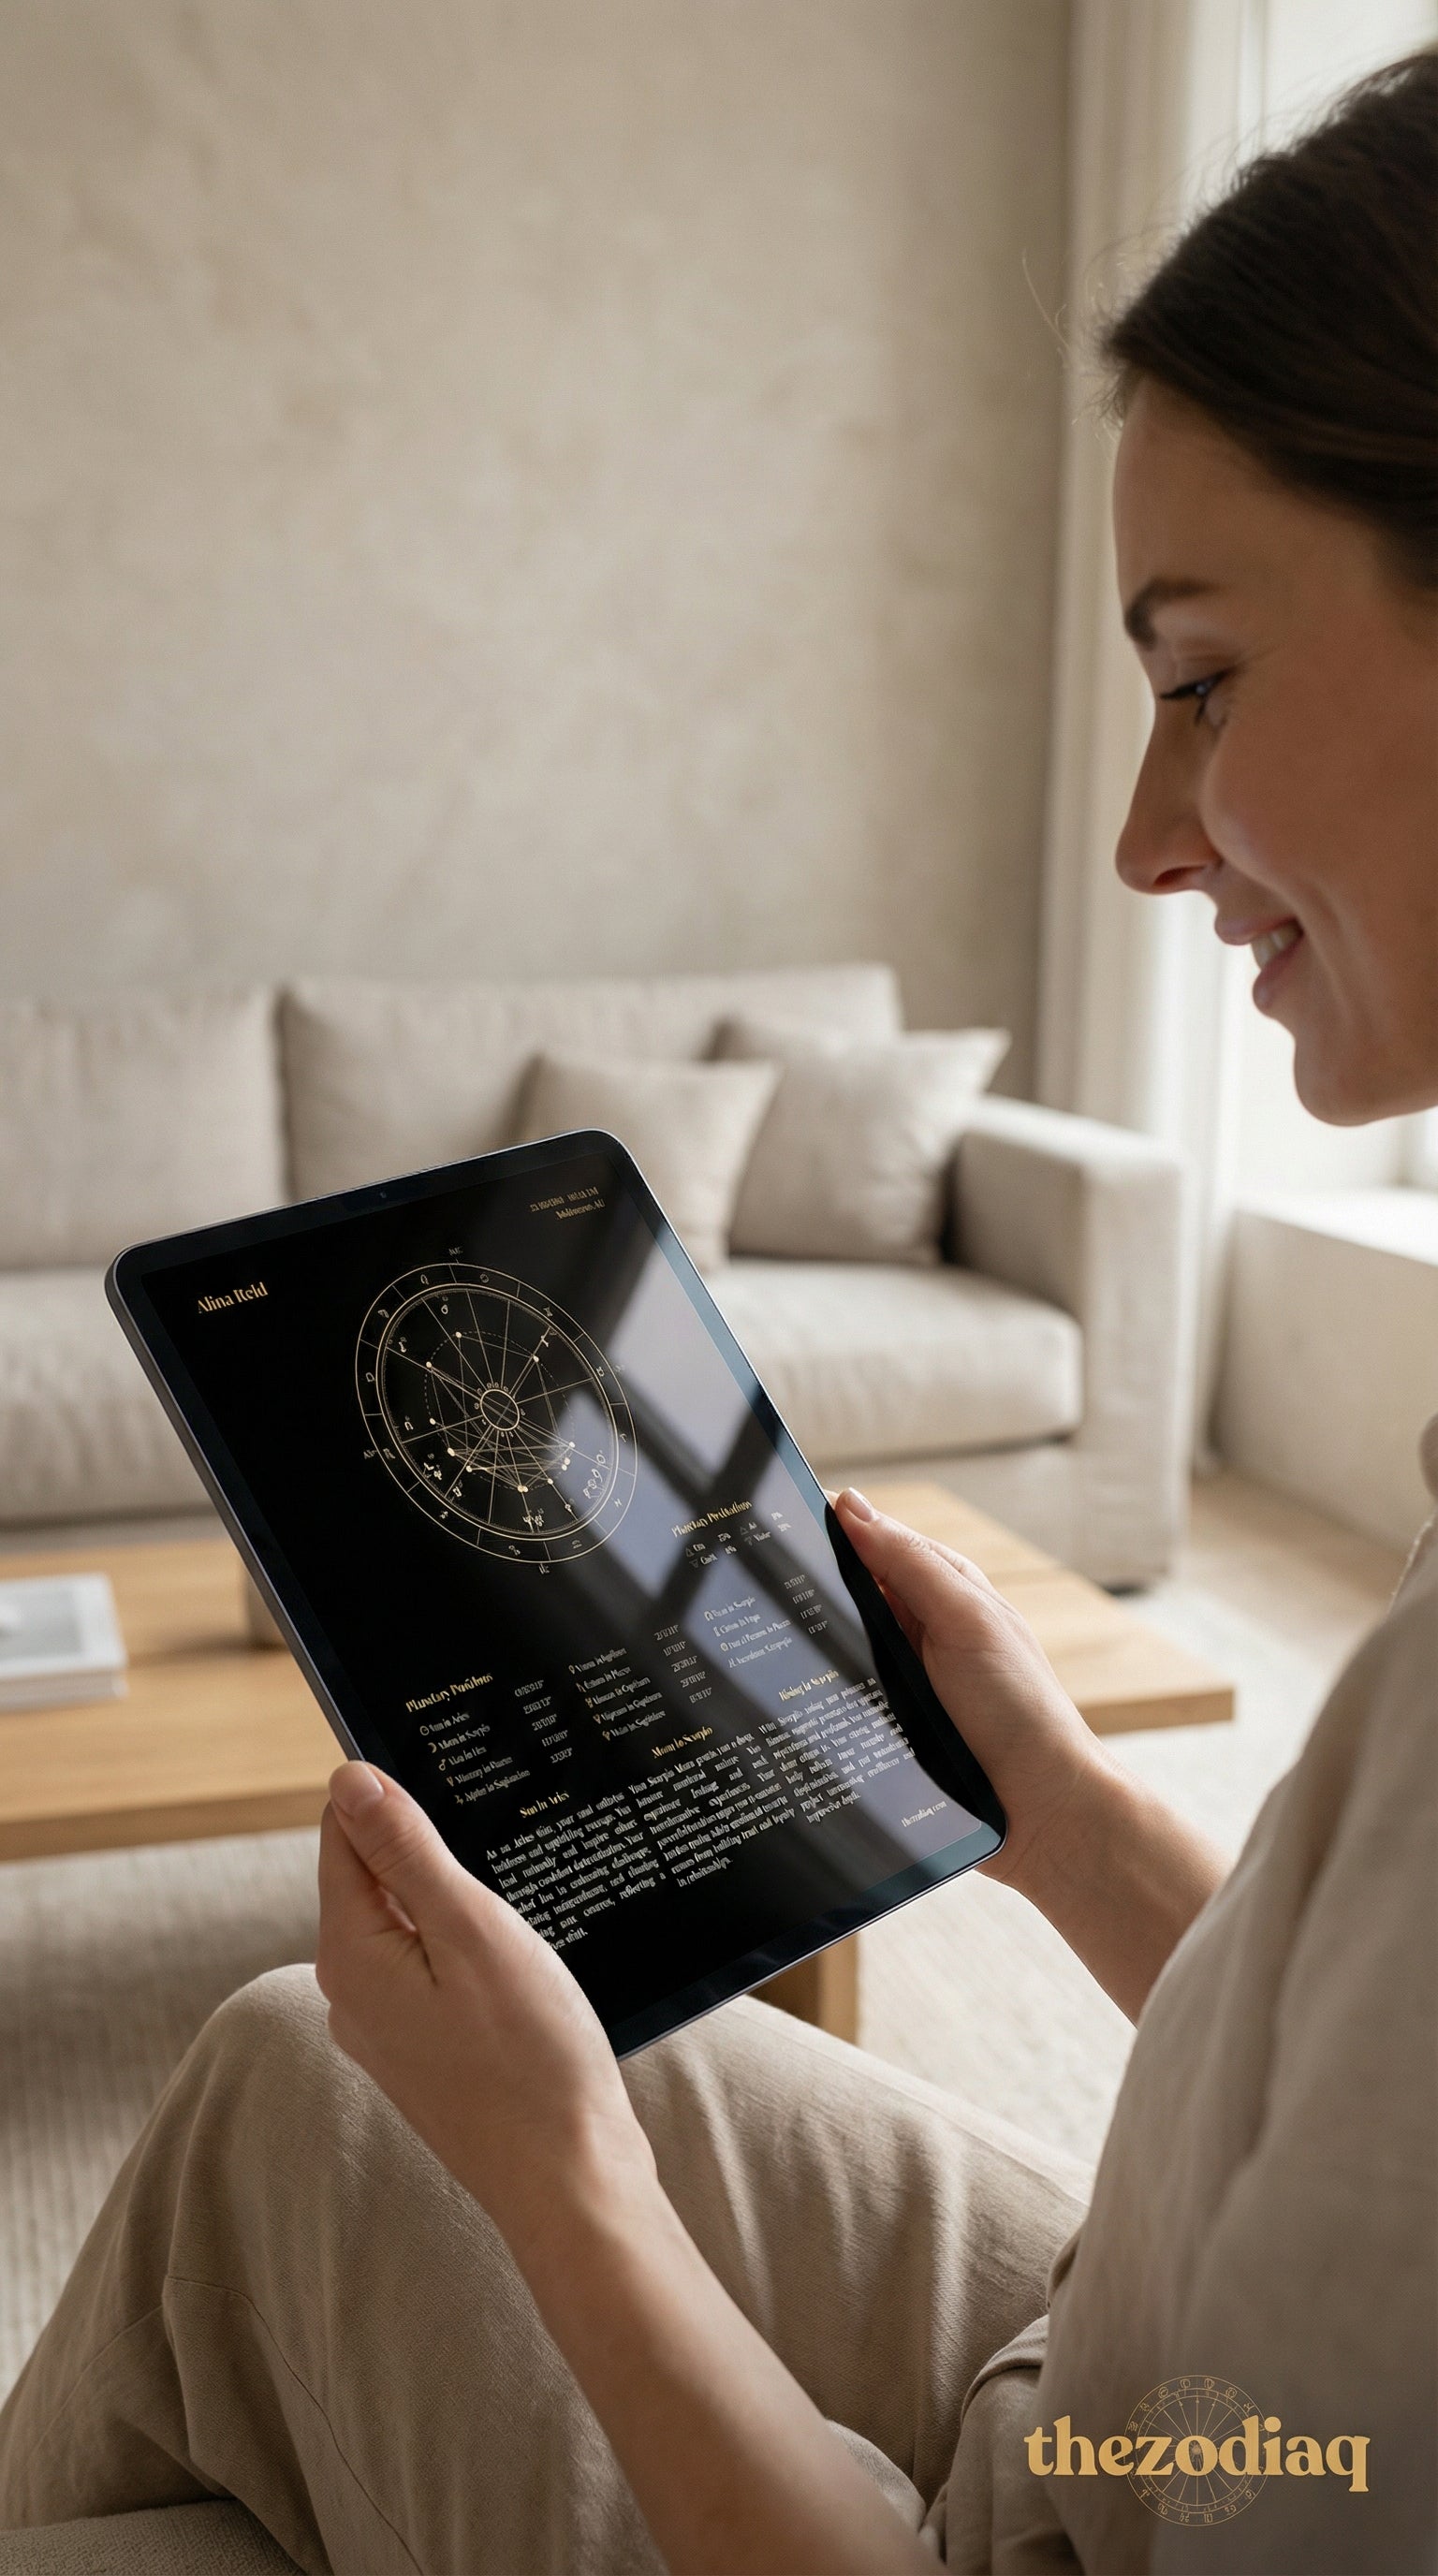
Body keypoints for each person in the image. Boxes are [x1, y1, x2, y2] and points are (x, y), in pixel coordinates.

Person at [3, 51, 1434, 2576]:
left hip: (1122, 2495)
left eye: (1200, 674)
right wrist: (1067, 1824)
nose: (1138, 831)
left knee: (366, 2100)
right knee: (285, 2060)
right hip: (1171, 2406)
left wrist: (558, 2178)